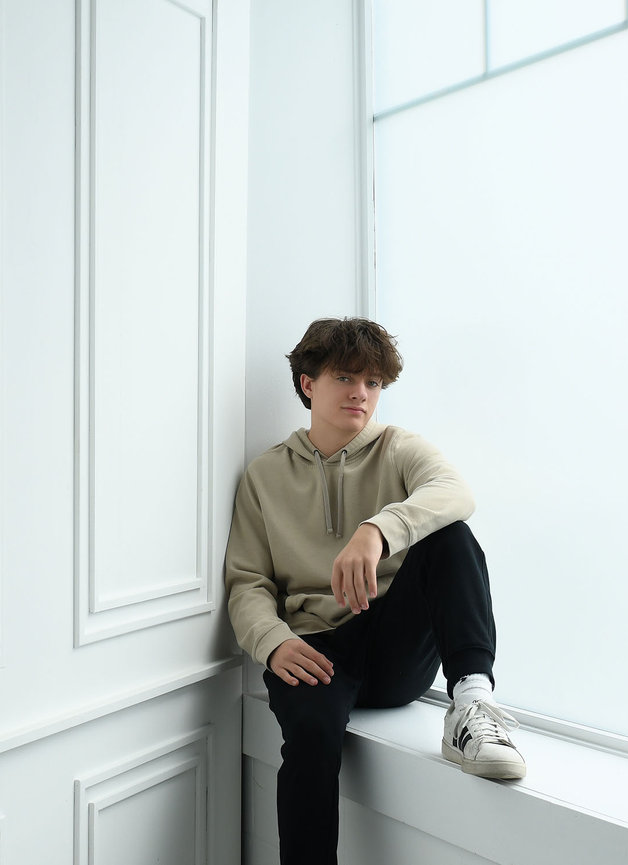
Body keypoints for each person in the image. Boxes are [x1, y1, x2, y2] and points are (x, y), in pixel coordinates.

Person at [225, 317, 526, 865]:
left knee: (450, 536)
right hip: (314, 652)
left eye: (373, 382)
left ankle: (472, 703)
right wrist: (272, 641)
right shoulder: (264, 476)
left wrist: (378, 530)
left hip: (393, 646)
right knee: (310, 740)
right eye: (345, 377)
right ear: (308, 384)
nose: (361, 393)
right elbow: (249, 581)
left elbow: (454, 492)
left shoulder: (398, 447)